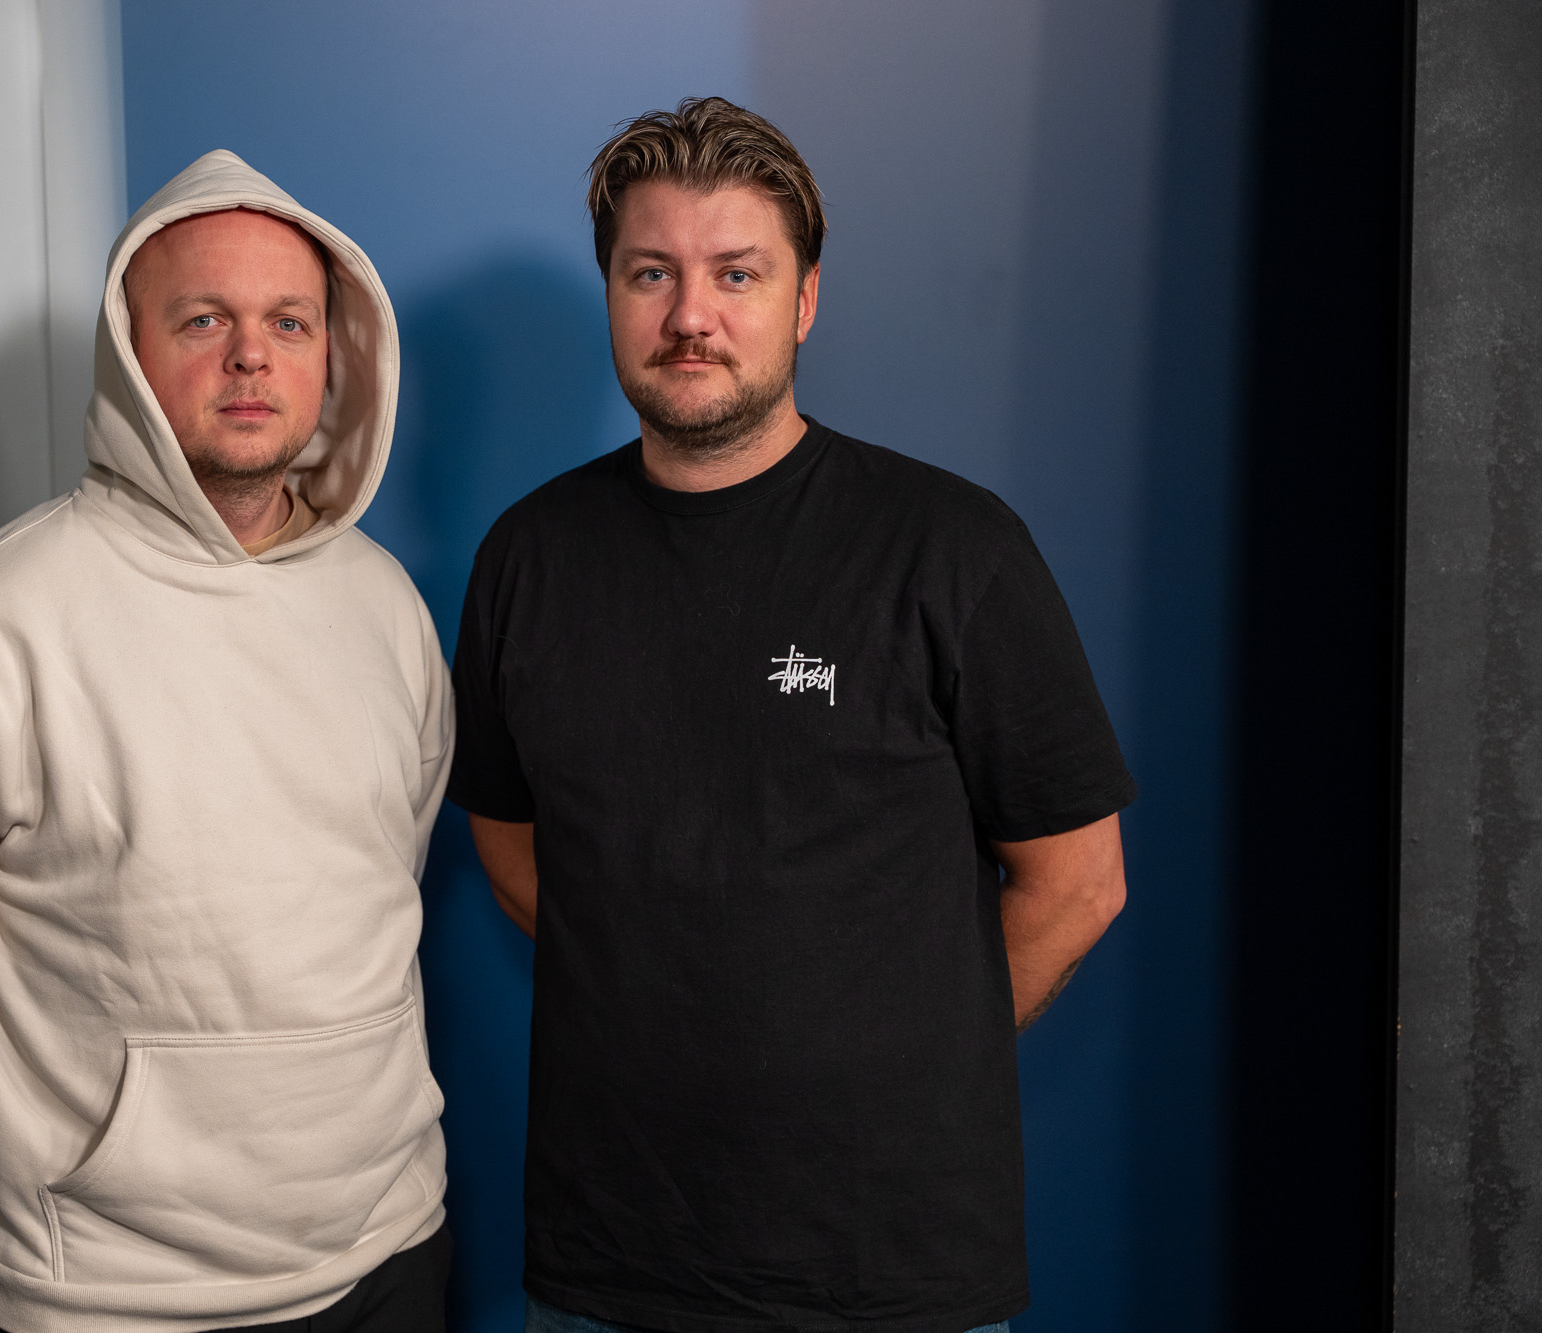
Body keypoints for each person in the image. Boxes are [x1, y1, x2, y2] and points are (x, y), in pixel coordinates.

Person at [449, 98, 1135, 1333]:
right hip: (613, 1260)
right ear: (611, 292)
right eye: (649, 273)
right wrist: (670, 991)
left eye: (735, 273)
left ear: (803, 300)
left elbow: (1077, 884)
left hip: (890, 1265)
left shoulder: (950, 549)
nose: (689, 315)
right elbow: (505, 840)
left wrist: (897, 1066)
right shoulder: (527, 559)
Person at [0, 150, 454, 1333]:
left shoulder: (386, 607)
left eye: (288, 322)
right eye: (203, 319)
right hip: (108, 1297)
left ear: (333, 356)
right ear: (127, 351)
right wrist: (88, 1107)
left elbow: (383, 874)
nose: (251, 356)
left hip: (390, 1252)